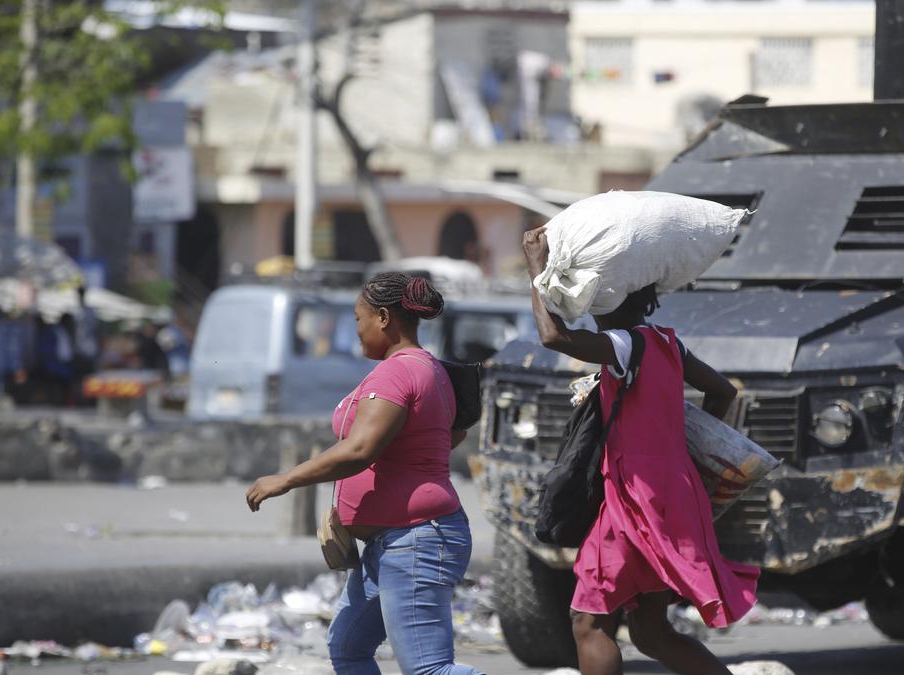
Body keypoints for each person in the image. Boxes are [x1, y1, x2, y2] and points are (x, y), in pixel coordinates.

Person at [522, 227, 760, 675]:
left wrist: (536, 270)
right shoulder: (668, 341)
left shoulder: (624, 343)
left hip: (634, 501)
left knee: (588, 624)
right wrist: (678, 443)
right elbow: (722, 390)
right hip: (673, 496)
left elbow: (553, 338)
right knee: (651, 631)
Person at [245, 272, 482, 675]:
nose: (356, 331)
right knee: (348, 647)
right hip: (391, 543)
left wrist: (284, 480)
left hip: (415, 538)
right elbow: (447, 436)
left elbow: (358, 450)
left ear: (384, 318)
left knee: (429, 669)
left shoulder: (398, 372)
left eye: (358, 319)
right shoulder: (426, 368)